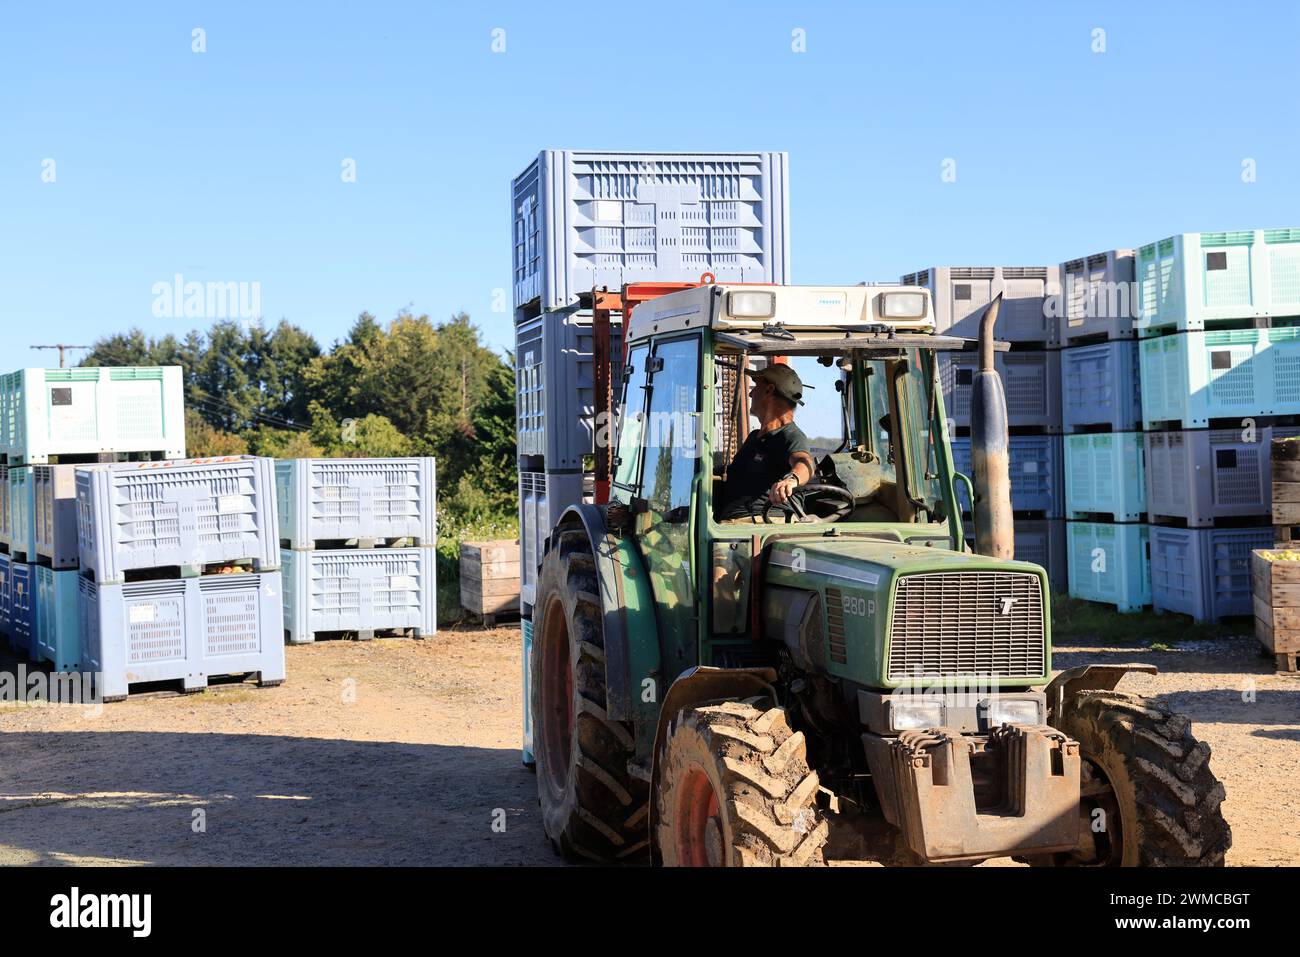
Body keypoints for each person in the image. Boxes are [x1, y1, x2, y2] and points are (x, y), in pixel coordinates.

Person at [718, 364, 816, 520]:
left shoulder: (790, 435)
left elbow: (805, 463)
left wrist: (791, 480)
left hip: (761, 523)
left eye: (756, 387)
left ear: (769, 390)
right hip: (732, 524)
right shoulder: (754, 437)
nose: (750, 393)